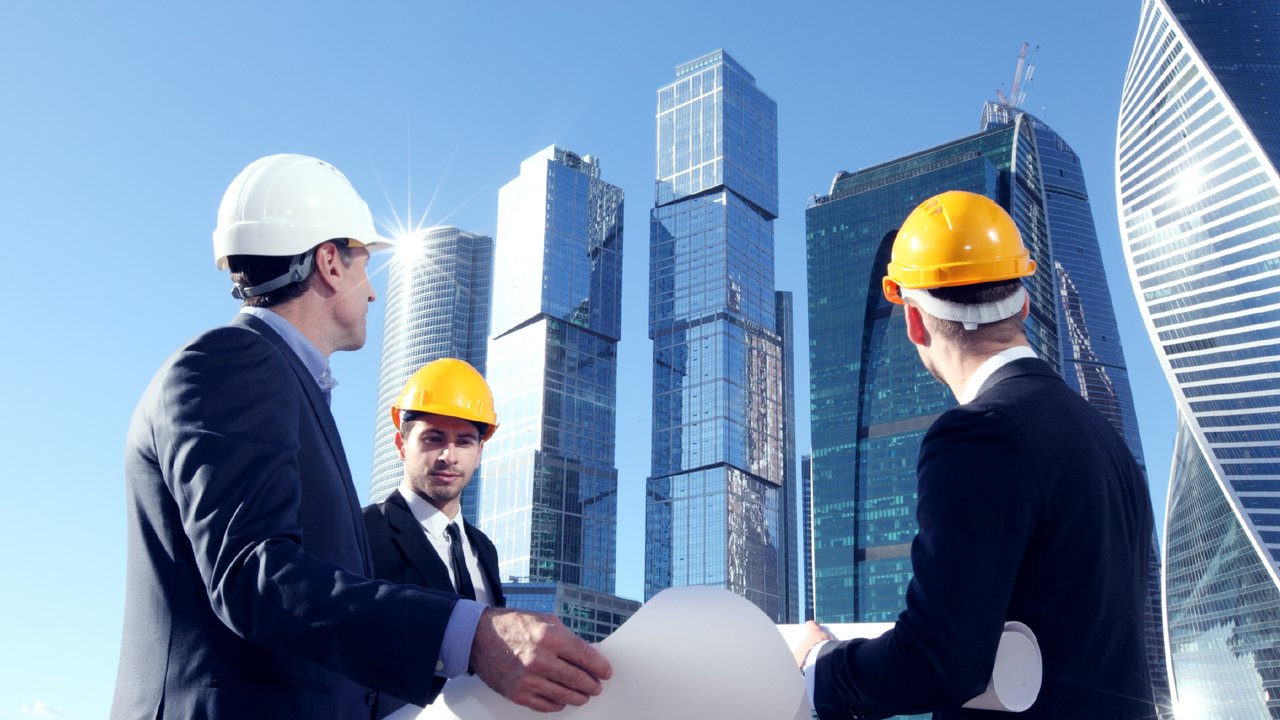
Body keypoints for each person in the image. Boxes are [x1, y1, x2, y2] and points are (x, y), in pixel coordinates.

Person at [112, 153, 610, 719]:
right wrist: (470, 635)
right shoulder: (234, 363)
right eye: (364, 263)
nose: (372, 292)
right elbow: (252, 572)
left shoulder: (283, 385)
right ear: (329, 262)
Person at [792, 191, 1156, 718]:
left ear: (914, 321)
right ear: (1024, 304)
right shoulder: (1107, 442)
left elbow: (938, 660)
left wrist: (820, 665)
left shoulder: (979, 434)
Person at [363, 358, 507, 716]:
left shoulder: (483, 549)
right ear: (401, 444)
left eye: (464, 441)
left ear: (479, 451)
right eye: (433, 438)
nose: (449, 456)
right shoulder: (364, 530)